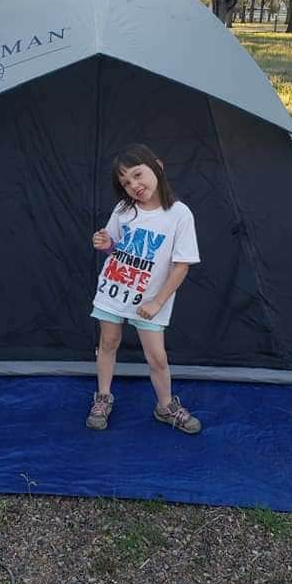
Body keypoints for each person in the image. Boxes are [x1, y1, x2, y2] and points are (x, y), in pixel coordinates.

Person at [87, 143, 201, 434]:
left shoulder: (179, 214)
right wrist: (105, 243)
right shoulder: (123, 209)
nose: (134, 185)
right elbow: (114, 245)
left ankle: (165, 406)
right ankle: (103, 396)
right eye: (126, 182)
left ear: (158, 167)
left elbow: (182, 265)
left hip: (149, 300)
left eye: (138, 175)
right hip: (113, 292)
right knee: (108, 343)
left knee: (157, 357)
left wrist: (158, 303)